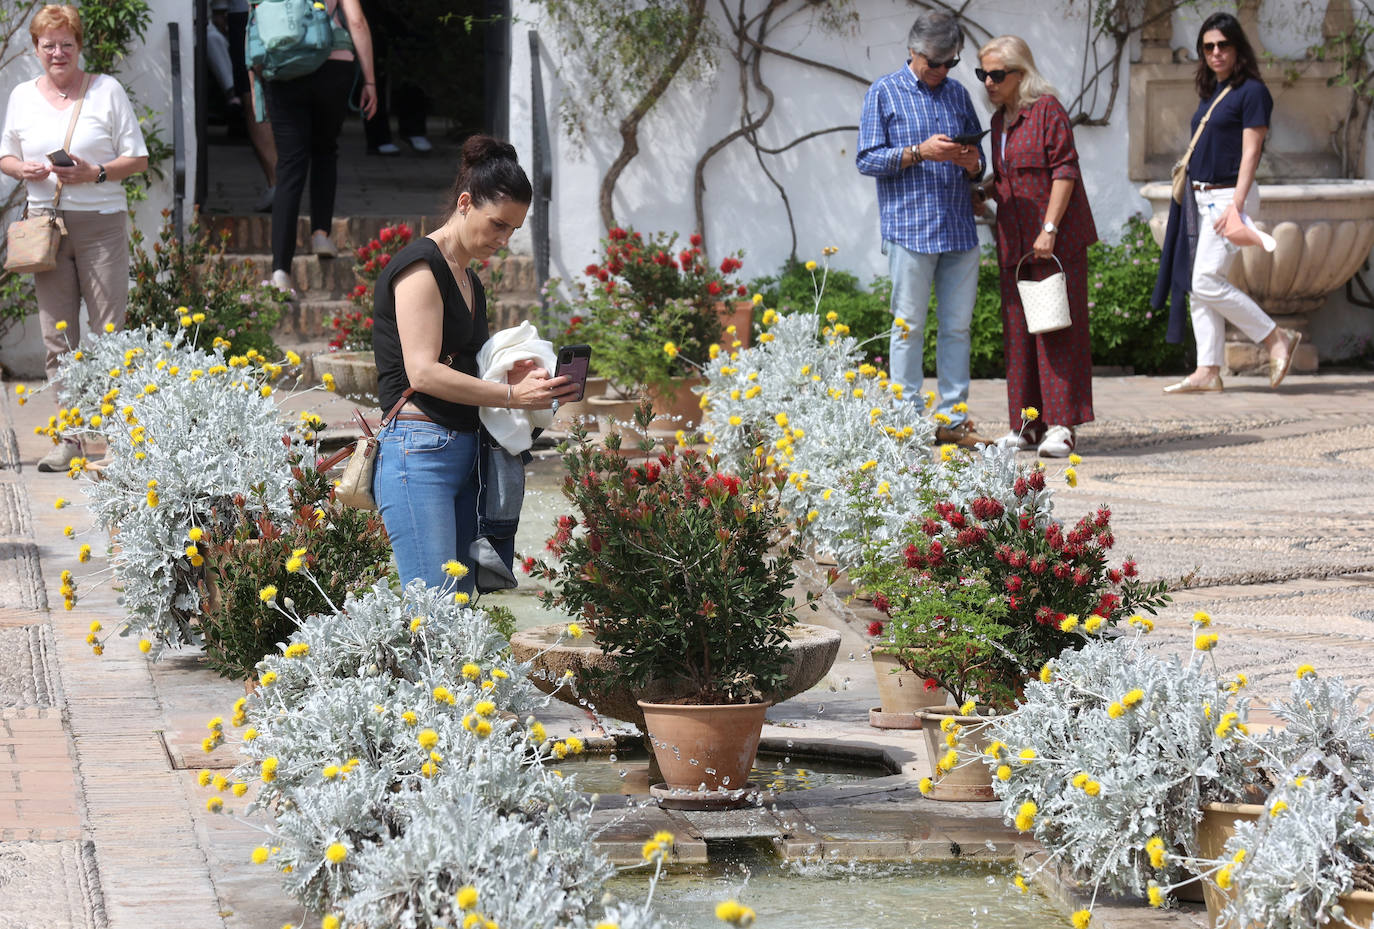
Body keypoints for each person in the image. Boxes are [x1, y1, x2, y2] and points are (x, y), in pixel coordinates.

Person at [371, 136, 578, 593]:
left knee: (461, 605)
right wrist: (510, 395)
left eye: (513, 231)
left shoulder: (469, 280)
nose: (503, 241)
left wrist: (523, 377)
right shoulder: (421, 268)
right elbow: (422, 372)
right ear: (465, 203)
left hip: (463, 452)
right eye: (497, 225)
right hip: (417, 451)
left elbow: (464, 366)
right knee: (433, 609)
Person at [0, 4, 147, 472]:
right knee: (57, 337)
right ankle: (70, 439)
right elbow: (5, 155)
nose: (57, 53)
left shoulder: (106, 91)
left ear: (79, 46)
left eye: (66, 44)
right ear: (36, 48)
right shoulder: (23, 96)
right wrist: (21, 168)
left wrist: (95, 172)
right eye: (49, 45)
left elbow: (137, 158)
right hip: (46, 224)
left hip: (101, 222)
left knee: (109, 333)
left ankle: (119, 441)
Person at [857, 10, 989, 448]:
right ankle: (907, 420)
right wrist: (917, 151)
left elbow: (979, 162)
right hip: (910, 230)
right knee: (908, 326)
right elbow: (867, 159)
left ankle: (953, 419)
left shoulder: (958, 94)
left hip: (958, 230)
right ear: (913, 51)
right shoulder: (884, 93)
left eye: (951, 62)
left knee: (957, 328)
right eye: (935, 62)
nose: (942, 72)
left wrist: (974, 164)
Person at [1153, 11, 1299, 393]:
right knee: (1198, 281)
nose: (1216, 53)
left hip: (1227, 197)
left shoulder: (1252, 92)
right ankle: (1208, 370)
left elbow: (1252, 153)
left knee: (1204, 280)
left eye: (1223, 45)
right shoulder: (1213, 93)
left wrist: (1236, 205)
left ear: (1237, 49)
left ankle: (1274, 338)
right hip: (1201, 196)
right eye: (1208, 47)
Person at [978, 35, 1096, 457]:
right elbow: (1010, 176)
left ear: (1020, 73)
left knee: (1056, 330)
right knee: (1019, 335)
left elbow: (1064, 172)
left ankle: (1061, 426)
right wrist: (985, 191)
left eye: (996, 74)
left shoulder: (1048, 111)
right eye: (983, 74)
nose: (988, 82)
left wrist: (1049, 227)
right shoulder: (998, 123)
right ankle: (1027, 425)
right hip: (1014, 242)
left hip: (1053, 241)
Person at [262, 0, 377, 292]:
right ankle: (321, 233)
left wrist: (254, 75)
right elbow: (357, 22)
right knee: (325, 150)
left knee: (289, 165)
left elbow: (258, 21)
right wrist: (370, 81)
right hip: (333, 64)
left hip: (285, 66)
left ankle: (280, 271)